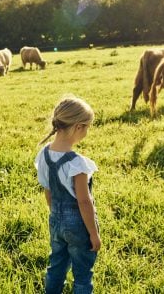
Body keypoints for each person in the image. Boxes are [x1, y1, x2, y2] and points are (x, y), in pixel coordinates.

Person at [35, 96, 101, 293]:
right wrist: (94, 234)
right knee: (82, 273)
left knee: (56, 264)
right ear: (78, 127)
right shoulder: (77, 164)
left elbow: (48, 191)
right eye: (87, 127)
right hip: (78, 225)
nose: (87, 131)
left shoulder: (44, 154)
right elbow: (83, 201)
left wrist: (56, 215)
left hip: (55, 219)